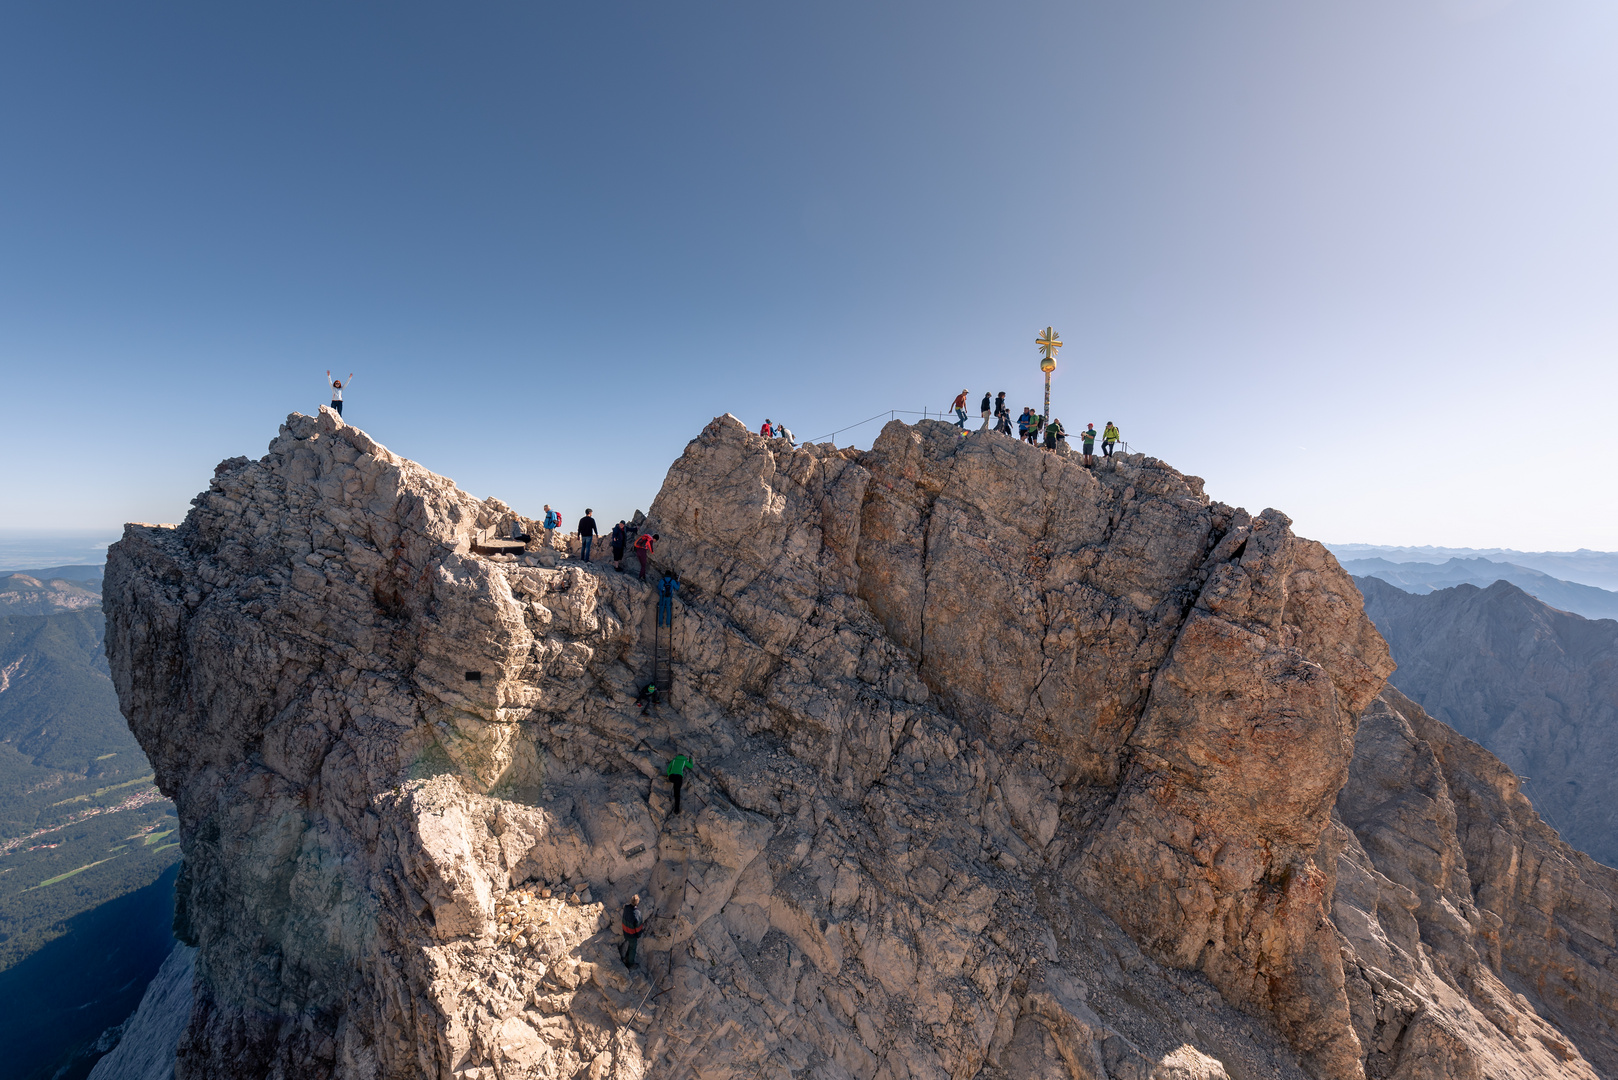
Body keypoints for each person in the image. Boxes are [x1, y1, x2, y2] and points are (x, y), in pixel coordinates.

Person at [620, 894, 645, 968]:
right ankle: (630, 963)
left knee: (630, 945)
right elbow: (638, 927)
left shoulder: (626, 907)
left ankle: (626, 958)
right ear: (637, 903)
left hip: (625, 931)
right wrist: (639, 935)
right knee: (633, 948)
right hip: (632, 934)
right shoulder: (637, 914)